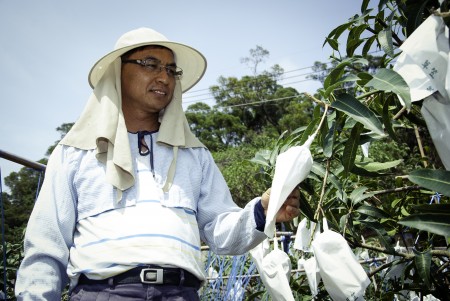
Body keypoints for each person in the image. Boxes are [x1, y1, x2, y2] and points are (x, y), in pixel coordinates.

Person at [15, 27, 300, 301]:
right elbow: (46, 247)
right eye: (150, 64)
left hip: (181, 294)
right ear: (118, 71)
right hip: (104, 293)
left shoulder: (194, 155)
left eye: (170, 70)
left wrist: (263, 211)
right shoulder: (75, 152)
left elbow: (220, 231)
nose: (164, 77)